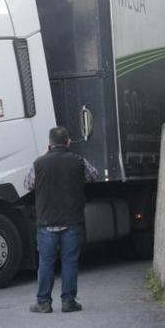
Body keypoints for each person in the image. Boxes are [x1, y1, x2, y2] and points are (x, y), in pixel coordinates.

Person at [24, 126, 98, 313]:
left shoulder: (39, 163)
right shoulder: (78, 161)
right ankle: (68, 301)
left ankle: (43, 303)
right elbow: (93, 176)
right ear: (68, 142)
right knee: (70, 261)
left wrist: (42, 156)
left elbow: (27, 184)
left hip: (46, 223)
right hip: (72, 221)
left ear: (49, 143)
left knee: (46, 263)